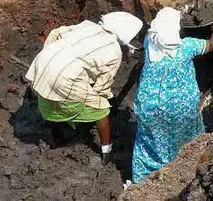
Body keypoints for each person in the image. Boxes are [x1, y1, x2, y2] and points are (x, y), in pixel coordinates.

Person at [24, 11, 144, 165]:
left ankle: (55, 129)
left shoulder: (87, 25)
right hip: (65, 77)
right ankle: (106, 150)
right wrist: (106, 99)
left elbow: (56, 32)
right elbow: (101, 89)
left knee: (51, 92)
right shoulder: (114, 51)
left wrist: (51, 54)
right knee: (101, 109)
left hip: (43, 63)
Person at [130, 7, 213, 183]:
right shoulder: (186, 46)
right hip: (180, 108)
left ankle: (146, 180)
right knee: (185, 141)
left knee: (150, 142)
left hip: (148, 106)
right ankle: (179, 171)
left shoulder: (149, 42)